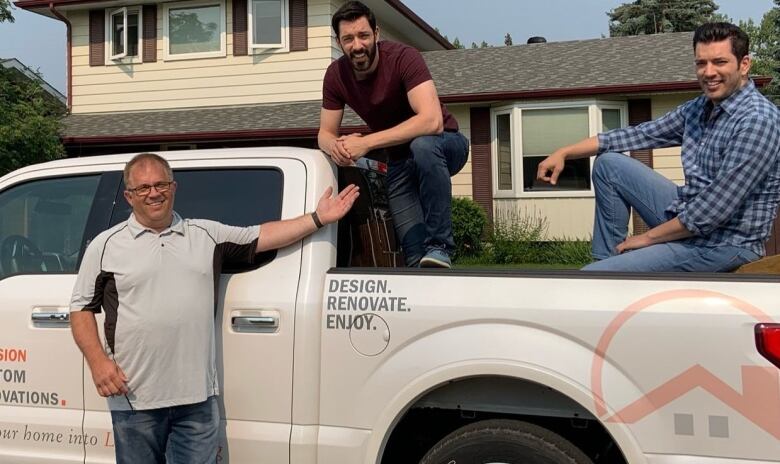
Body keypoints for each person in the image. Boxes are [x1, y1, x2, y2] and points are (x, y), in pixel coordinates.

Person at [70, 153, 358, 464]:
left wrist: (318, 218)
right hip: (134, 398)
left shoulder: (206, 235)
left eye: (161, 184)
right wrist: (98, 362)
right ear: (129, 196)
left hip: (196, 400)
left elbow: (260, 235)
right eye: (143, 188)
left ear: (174, 187)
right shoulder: (105, 245)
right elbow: (81, 308)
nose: (154, 193)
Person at [536, 22, 780, 272]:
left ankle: (603, 276)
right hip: (688, 218)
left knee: (588, 278)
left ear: (744, 64)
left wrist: (646, 238)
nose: (708, 72)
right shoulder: (699, 109)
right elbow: (638, 135)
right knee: (610, 165)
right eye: (700, 63)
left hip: (724, 244)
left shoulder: (757, 121)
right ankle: (607, 266)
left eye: (719, 62)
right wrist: (564, 152)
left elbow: (711, 212)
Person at [318, 0, 470, 268]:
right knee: (413, 257)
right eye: (348, 38)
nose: (357, 45)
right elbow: (325, 134)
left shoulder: (403, 58)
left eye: (364, 35)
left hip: (446, 144)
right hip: (400, 163)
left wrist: (366, 143)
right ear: (339, 42)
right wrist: (337, 148)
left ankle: (440, 246)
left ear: (376, 35)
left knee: (422, 146)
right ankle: (429, 273)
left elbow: (431, 121)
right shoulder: (335, 76)